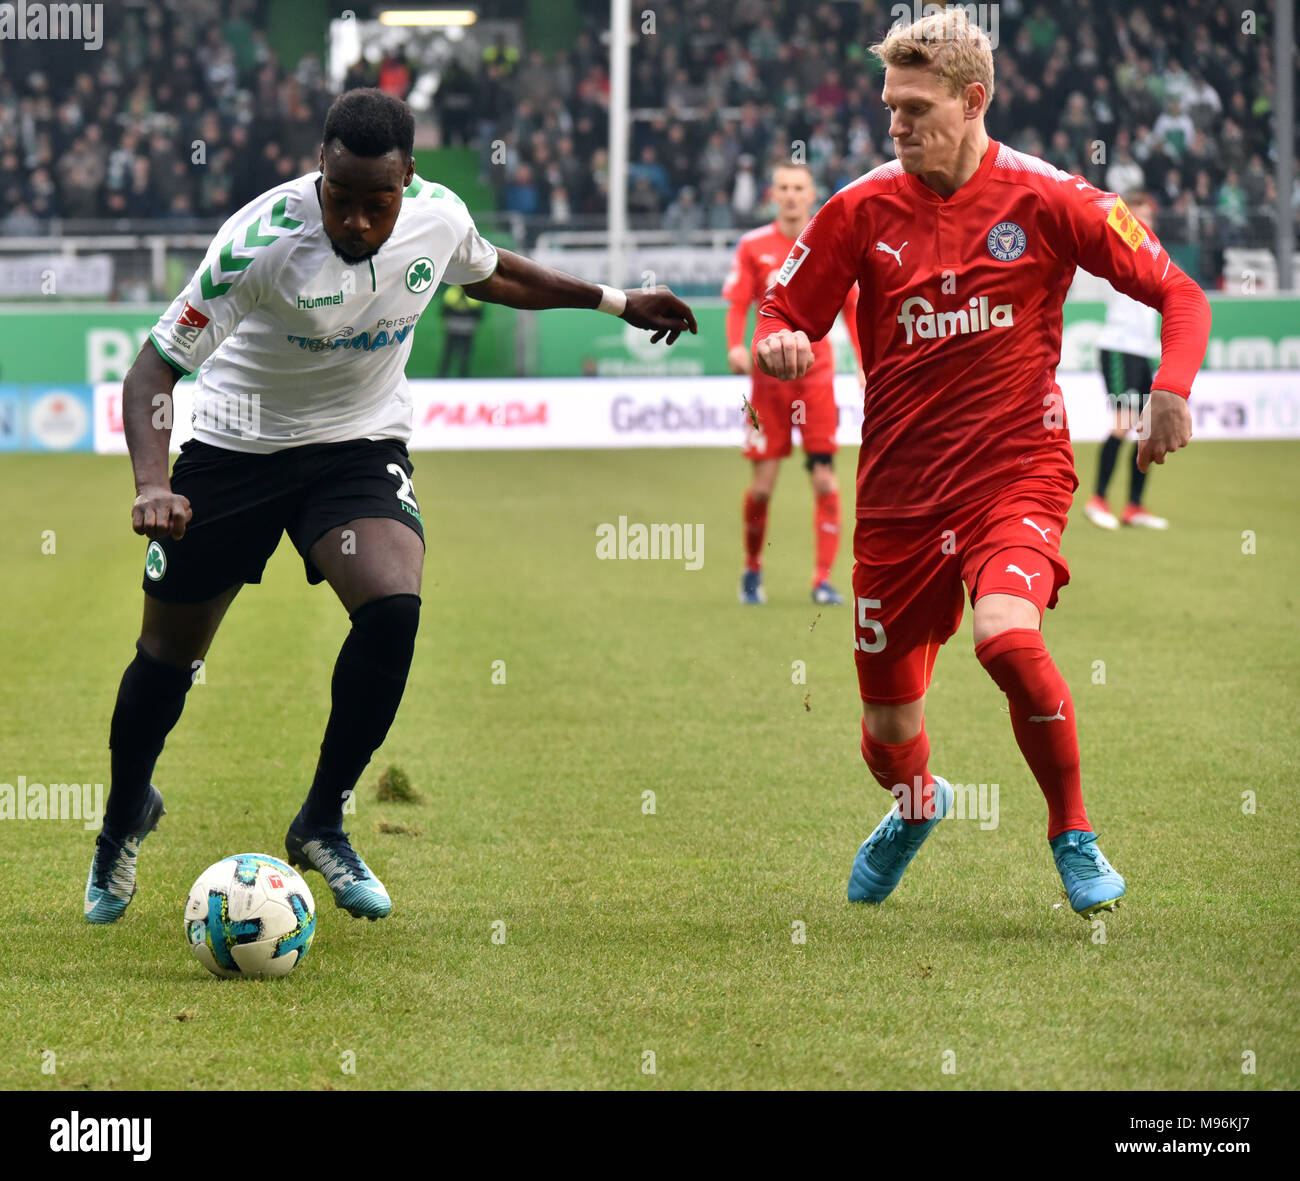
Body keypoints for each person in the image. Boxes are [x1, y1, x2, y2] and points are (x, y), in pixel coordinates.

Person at [85, 88, 696, 925]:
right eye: (341, 200)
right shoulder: (258, 241)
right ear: (319, 172)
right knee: (165, 660)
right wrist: (153, 484)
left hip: (357, 447)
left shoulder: (438, 218)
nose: (360, 223)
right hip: (234, 451)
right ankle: (123, 819)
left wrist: (620, 304)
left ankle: (324, 817)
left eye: (380, 203)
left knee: (393, 605)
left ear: (409, 178)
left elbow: (498, 273)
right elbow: (153, 371)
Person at [754, 10, 1207, 917]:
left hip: (1017, 473)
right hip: (899, 497)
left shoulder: (1050, 198)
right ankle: (919, 802)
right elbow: (779, 313)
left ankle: (1072, 834)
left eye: (916, 108)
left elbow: (1177, 290)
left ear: (974, 100)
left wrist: (1172, 384)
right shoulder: (858, 208)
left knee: (1007, 632)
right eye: (889, 107)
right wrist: (780, 349)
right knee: (887, 733)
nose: (896, 125)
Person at [723, 162, 861, 605]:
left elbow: (853, 310)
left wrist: (864, 363)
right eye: (782, 187)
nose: (790, 195)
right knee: (762, 486)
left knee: (824, 481)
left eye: (798, 188)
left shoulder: (831, 240)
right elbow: (739, 302)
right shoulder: (753, 245)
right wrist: (735, 346)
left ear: (811, 194)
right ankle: (751, 570)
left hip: (816, 381)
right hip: (767, 385)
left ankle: (822, 580)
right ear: (772, 194)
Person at [1086, 191, 1169, 530]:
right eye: (1138, 217)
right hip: (1118, 347)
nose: (1145, 224)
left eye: (1149, 217)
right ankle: (1098, 499)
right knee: (1121, 423)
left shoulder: (1157, 254)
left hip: (1143, 351)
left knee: (1146, 429)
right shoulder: (1116, 247)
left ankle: (1133, 507)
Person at [438, 285, 484, 378]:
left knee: (459, 354)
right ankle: (447, 375)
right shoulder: (471, 291)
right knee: (453, 354)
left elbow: (444, 311)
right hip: (460, 329)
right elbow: (479, 315)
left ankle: (455, 375)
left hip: (460, 329)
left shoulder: (452, 292)